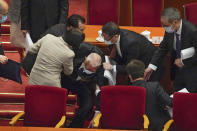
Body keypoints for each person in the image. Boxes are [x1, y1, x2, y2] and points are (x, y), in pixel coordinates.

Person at [89, 60, 172, 131]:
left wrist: (98, 92)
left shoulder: (125, 91)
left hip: (132, 126)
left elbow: (103, 96)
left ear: (129, 76)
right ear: (144, 73)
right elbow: (170, 102)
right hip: (156, 126)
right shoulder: (155, 86)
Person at [144, 8, 197, 93]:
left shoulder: (193, 31)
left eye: (165, 25)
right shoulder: (170, 30)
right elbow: (162, 48)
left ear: (175, 22)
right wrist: (151, 67)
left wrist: (184, 62)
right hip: (177, 72)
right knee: (176, 97)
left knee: (189, 100)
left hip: (192, 73)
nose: (164, 27)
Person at [61, 50, 107, 128]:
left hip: (82, 85)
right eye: (87, 67)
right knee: (58, 101)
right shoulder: (74, 57)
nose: (87, 69)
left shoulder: (100, 70)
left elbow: (99, 90)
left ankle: (74, 126)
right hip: (66, 80)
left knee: (88, 105)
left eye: (91, 70)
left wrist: (97, 112)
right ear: (85, 59)